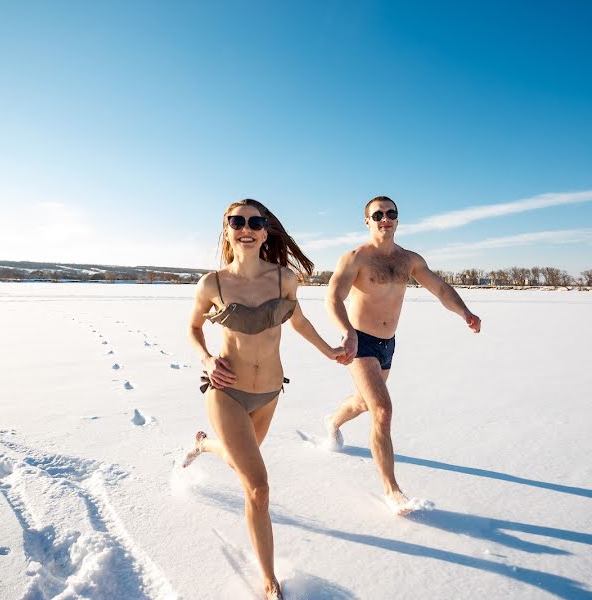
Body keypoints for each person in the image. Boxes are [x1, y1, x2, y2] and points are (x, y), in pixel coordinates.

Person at [182, 199, 343, 600]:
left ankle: (203, 444)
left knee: (240, 460)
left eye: (256, 221)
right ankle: (269, 580)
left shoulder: (283, 279)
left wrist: (329, 351)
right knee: (258, 487)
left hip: (270, 392)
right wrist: (205, 359)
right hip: (227, 391)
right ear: (227, 230)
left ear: (266, 231)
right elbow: (193, 327)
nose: (247, 227)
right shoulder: (212, 284)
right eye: (237, 221)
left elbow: (299, 321)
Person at [324, 196, 481, 515]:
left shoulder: (408, 260)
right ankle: (391, 491)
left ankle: (332, 422)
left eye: (390, 213)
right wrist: (347, 331)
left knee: (363, 403)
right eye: (377, 214)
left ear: (397, 219)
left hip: (387, 343)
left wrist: (464, 312)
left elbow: (440, 289)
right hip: (360, 342)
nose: (385, 218)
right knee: (382, 409)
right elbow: (333, 297)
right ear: (367, 221)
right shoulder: (356, 258)